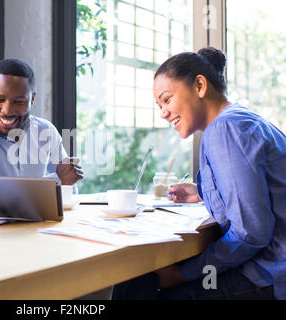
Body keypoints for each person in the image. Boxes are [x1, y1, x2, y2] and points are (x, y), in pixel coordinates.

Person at [113, 47, 286, 300]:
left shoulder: (224, 129)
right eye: (159, 105)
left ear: (200, 86)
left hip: (268, 274)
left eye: (167, 99)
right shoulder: (241, 120)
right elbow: (258, 193)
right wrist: (203, 191)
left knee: (143, 287)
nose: (163, 113)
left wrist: (182, 275)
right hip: (272, 265)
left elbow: (251, 233)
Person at [0, 58, 83, 185]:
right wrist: (57, 180)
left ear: (32, 99)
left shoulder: (46, 131)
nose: (7, 111)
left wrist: (64, 179)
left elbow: (68, 188)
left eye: (18, 102)